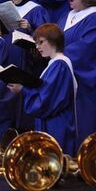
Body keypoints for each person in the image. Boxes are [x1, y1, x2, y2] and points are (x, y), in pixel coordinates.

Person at [7, 23, 77, 156]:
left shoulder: (60, 65)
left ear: (53, 40)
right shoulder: (53, 64)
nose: (37, 47)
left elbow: (46, 101)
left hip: (57, 125)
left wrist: (22, 89)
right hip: (53, 122)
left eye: (41, 42)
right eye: (36, 43)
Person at [57, 0, 96, 148]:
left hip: (83, 78)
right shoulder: (67, 15)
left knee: (84, 121)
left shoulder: (93, 16)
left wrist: (58, 53)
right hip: (63, 73)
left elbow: (86, 46)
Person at [4, 0, 49, 71]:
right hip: (7, 55)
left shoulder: (36, 10)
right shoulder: (6, 8)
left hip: (26, 59)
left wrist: (29, 27)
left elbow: (44, 37)